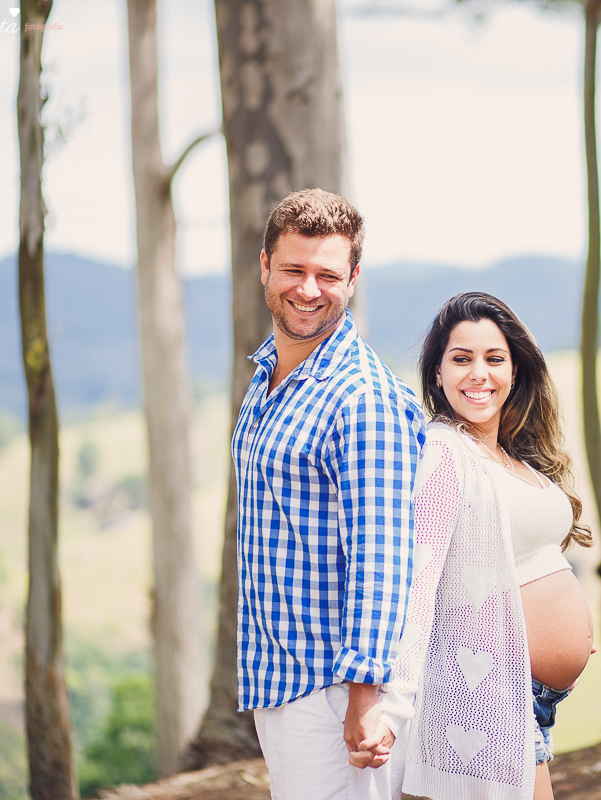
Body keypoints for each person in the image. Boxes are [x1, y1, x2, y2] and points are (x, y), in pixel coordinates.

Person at [366, 292, 596, 800]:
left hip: (528, 693)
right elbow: (420, 583)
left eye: (494, 359)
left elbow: (534, 561)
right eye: (461, 359)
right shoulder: (446, 453)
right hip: (485, 692)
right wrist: (396, 704)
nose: (479, 373)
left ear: (515, 371)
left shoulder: (511, 458)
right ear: (437, 373)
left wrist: (577, 638)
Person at [234, 189, 425, 800]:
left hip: (337, 688)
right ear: (265, 266)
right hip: (282, 677)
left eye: (327, 275)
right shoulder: (268, 378)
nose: (308, 290)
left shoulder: (360, 399)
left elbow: (382, 555)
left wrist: (365, 698)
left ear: (353, 279)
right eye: (294, 270)